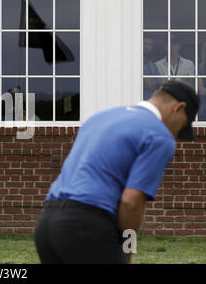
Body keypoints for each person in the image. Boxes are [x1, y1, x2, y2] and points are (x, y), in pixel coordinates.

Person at [34, 80, 200, 264]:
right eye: (182, 127)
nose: (176, 135)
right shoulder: (159, 136)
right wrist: (127, 251)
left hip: (47, 224)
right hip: (87, 227)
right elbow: (131, 202)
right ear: (178, 108)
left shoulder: (100, 117)